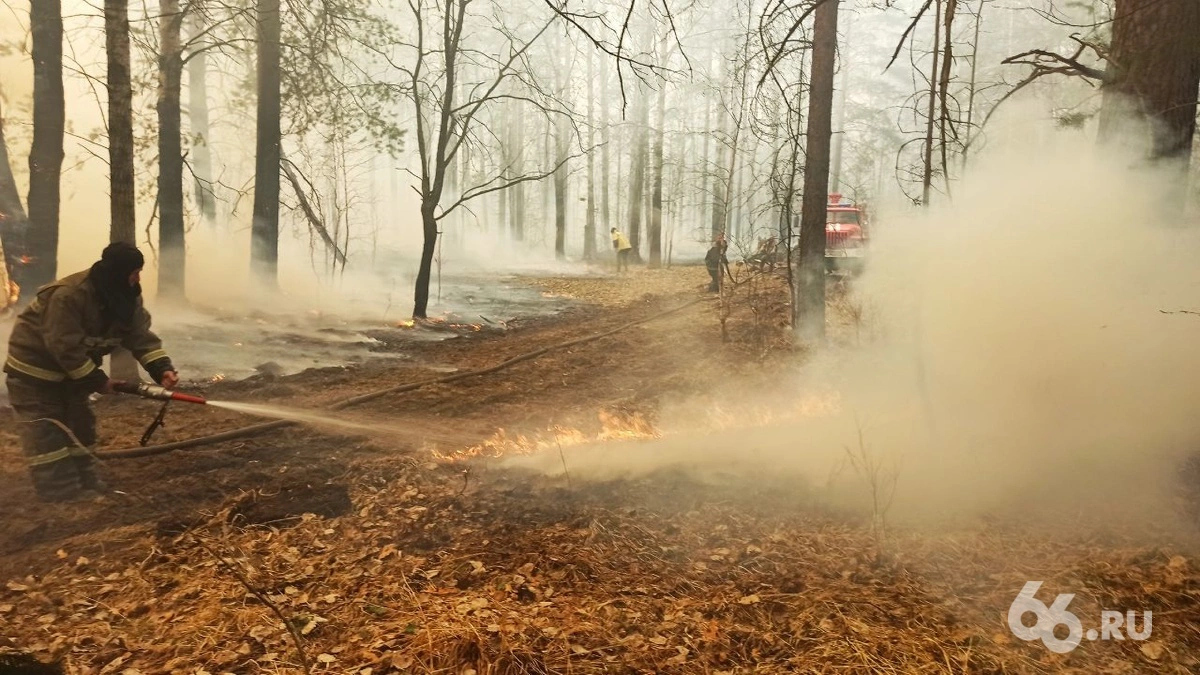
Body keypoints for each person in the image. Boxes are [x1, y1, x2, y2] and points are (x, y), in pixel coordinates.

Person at [4, 242, 179, 502]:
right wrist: (98, 381)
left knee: (80, 425)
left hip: (73, 375)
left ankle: (86, 483)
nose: (138, 278)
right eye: (134, 272)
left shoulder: (126, 296)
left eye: (139, 271)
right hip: (35, 375)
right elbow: (65, 347)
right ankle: (60, 493)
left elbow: (140, 336)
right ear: (117, 272)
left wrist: (161, 369)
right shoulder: (68, 295)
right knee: (46, 433)